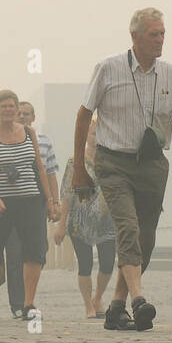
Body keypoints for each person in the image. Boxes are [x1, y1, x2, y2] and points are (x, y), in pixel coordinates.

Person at [73, 7, 172, 332]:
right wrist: (78, 171)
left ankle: (116, 307)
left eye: (163, 33)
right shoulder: (109, 68)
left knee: (146, 238)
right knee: (127, 227)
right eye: (154, 34)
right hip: (113, 162)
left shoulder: (170, 73)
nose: (160, 40)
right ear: (135, 37)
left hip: (153, 164)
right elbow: (83, 116)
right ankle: (139, 299)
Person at [0, 90, 58, 321]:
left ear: (17, 109)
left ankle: (28, 303)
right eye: (2, 106)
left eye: (11, 106)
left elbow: (39, 167)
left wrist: (50, 200)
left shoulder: (28, 133)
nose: (8, 110)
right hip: (0, 205)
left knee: (35, 250)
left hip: (30, 201)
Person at [54, 117, 116, 318]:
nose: (96, 137)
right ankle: (88, 304)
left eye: (100, 134)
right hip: (79, 222)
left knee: (107, 263)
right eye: (92, 133)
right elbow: (67, 194)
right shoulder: (75, 162)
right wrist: (61, 225)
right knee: (85, 264)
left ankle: (98, 298)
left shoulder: (112, 161)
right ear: (86, 135)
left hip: (107, 222)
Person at [5, 101, 59, 317]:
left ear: (33, 117)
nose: (22, 116)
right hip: (10, 201)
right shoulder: (3, 138)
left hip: (37, 200)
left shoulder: (44, 142)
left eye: (26, 113)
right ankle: (19, 304)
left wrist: (55, 202)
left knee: (37, 250)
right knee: (15, 252)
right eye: (19, 113)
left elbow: (51, 172)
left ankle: (29, 298)